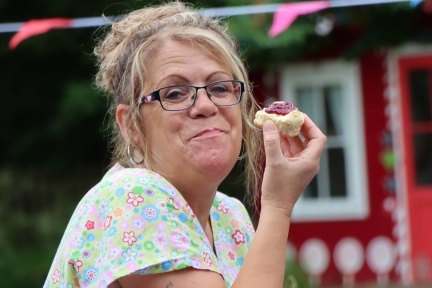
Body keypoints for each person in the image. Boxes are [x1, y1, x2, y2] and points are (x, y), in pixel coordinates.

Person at [44, 1, 326, 287]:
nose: (205, 105)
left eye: (219, 87)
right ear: (131, 125)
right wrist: (278, 206)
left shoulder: (230, 216)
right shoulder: (131, 195)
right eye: (176, 93)